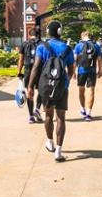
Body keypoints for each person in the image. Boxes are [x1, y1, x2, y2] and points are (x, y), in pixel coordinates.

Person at [27, 21, 75, 162]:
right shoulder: (67, 49)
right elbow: (71, 70)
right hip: (61, 87)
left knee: (48, 115)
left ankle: (49, 141)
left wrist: (30, 86)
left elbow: (36, 67)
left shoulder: (43, 47)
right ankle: (59, 152)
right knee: (61, 118)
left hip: (46, 87)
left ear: (48, 32)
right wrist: (64, 82)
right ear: (60, 32)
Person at [74, 31, 102, 121]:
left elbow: (75, 59)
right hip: (92, 70)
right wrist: (100, 70)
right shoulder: (96, 45)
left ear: (82, 36)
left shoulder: (78, 46)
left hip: (81, 70)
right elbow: (99, 59)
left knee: (81, 90)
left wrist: (74, 71)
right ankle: (89, 113)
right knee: (91, 90)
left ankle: (83, 109)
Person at [17, 28, 43, 123]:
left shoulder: (24, 44)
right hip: (40, 70)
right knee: (41, 91)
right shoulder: (42, 44)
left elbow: (21, 60)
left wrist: (19, 71)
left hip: (28, 70)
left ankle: (31, 116)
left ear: (29, 35)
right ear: (38, 35)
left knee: (29, 91)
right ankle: (37, 109)